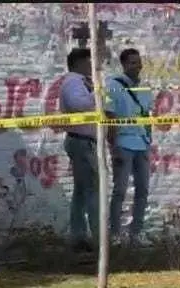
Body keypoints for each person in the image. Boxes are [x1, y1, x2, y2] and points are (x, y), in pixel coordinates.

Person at [104, 48, 153, 246]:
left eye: (139, 62)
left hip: (141, 144)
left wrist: (149, 138)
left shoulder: (144, 88)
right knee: (120, 191)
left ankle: (136, 233)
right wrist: (113, 146)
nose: (137, 66)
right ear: (124, 65)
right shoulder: (113, 86)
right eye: (133, 62)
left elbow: (146, 115)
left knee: (142, 190)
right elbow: (110, 117)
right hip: (123, 143)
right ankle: (115, 234)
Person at [59, 48, 99, 253]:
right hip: (82, 141)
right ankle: (97, 236)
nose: (92, 66)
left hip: (82, 140)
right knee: (92, 190)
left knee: (82, 192)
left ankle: (78, 235)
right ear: (79, 63)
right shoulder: (75, 81)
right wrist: (96, 96)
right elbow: (78, 104)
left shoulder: (79, 82)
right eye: (88, 62)